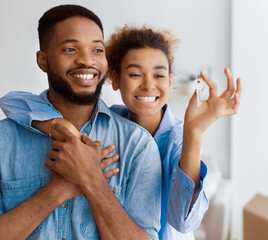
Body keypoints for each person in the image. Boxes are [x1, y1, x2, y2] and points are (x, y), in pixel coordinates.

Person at [0, 26, 242, 239]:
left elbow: (184, 222)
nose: (148, 85)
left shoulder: (178, 139)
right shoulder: (110, 122)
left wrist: (194, 132)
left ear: (170, 81)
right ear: (115, 80)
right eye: (135, 74)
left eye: (158, 75)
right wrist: (64, 128)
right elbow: (12, 101)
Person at [0, 5, 162, 240]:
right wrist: (57, 191)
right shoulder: (4, 140)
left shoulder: (137, 144)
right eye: (70, 49)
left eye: (97, 49)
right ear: (43, 61)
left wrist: (92, 178)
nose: (87, 60)